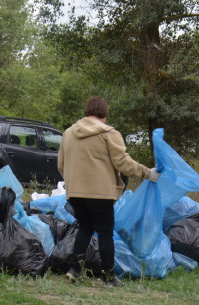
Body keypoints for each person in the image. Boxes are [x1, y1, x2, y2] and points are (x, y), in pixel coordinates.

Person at [58, 96, 160, 287]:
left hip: (74, 192)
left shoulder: (69, 133)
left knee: (85, 228)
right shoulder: (109, 134)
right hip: (100, 193)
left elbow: (61, 165)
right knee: (105, 233)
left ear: (87, 112)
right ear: (104, 114)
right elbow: (123, 163)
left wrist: (73, 183)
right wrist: (148, 173)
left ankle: (75, 270)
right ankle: (108, 277)